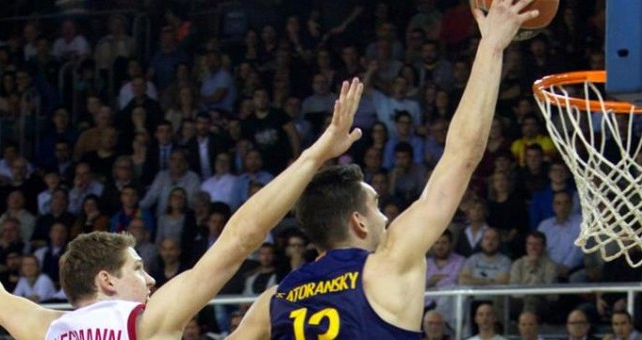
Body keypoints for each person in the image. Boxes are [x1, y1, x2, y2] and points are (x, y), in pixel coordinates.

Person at [229, 2, 539, 338]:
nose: (385, 218)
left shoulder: (273, 301)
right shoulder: (388, 265)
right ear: (358, 221)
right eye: (376, 206)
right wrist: (492, 45)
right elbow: (462, 155)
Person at [0, 77, 366, 339]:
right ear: (106, 280)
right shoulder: (146, 322)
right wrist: (315, 155)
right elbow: (239, 238)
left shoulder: (44, 329)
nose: (150, 279)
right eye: (137, 267)